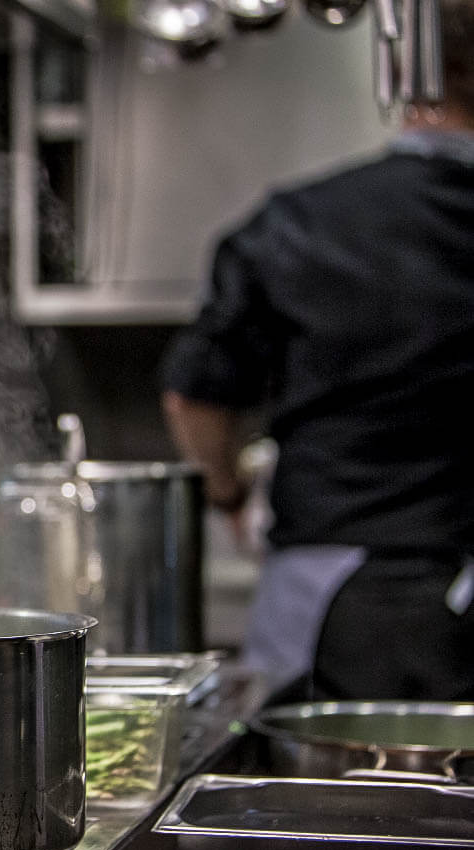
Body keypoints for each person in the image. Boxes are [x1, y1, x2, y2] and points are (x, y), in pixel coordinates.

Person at [161, 0, 474, 702]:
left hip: (333, 587)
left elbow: (196, 396)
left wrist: (230, 491)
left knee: (316, 790)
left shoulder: (300, 224)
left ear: (398, 68)